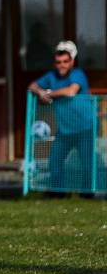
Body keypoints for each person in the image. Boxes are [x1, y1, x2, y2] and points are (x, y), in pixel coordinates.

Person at [28, 40, 95, 191]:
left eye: (65, 61)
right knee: (55, 162)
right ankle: (59, 193)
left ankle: (87, 195)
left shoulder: (78, 73)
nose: (62, 65)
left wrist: (49, 94)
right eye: (58, 62)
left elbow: (71, 91)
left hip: (85, 128)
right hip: (64, 130)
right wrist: (40, 92)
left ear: (72, 62)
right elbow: (32, 85)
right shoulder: (51, 76)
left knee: (87, 165)